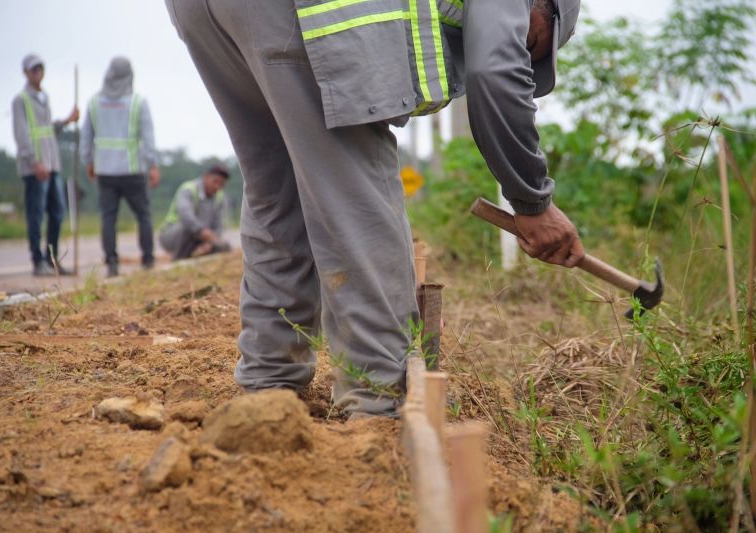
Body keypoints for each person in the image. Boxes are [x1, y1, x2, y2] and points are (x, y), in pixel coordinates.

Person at [165, 0, 584, 417]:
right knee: (358, 201)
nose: (523, 53)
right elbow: (495, 69)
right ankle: (377, 400)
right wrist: (532, 201)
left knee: (276, 189)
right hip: (297, 12)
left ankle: (269, 386)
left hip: (202, 12)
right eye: (530, 40)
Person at [80, 57, 160, 278]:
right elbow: (148, 137)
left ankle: (112, 264)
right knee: (143, 215)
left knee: (108, 218)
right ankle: (147, 260)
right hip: (132, 170)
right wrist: (152, 165)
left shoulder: (94, 102)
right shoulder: (137, 102)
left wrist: (88, 161)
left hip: (105, 171)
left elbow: (86, 136)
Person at [12, 54, 79, 276]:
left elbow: (48, 130)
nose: (38, 72)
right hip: (36, 168)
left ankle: (52, 259)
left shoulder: (44, 98)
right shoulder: (21, 100)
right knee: (36, 215)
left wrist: (67, 121)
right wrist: (34, 162)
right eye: (33, 69)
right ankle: (37, 262)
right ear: (26, 73)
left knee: (58, 212)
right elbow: (22, 136)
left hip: (53, 165)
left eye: (40, 68)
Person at [159, 165, 232, 260]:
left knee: (225, 247)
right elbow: (185, 215)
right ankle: (178, 259)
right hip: (172, 235)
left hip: (201, 239)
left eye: (221, 184)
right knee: (187, 227)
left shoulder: (220, 197)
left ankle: (196, 256)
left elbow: (219, 225)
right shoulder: (189, 189)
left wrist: (211, 241)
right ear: (206, 177)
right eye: (215, 181)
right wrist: (202, 231)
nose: (217, 186)